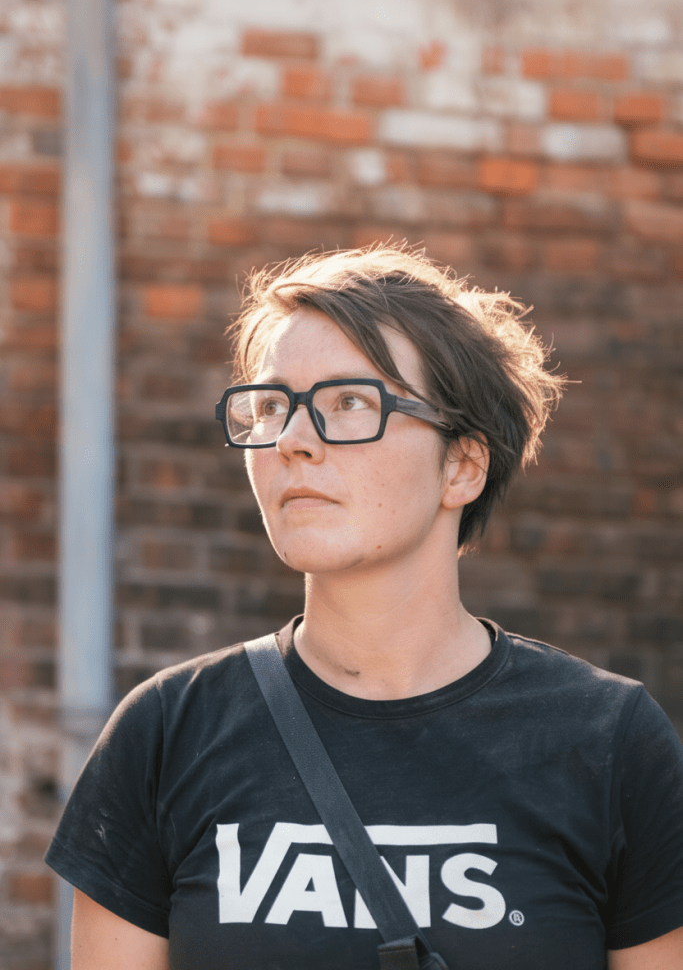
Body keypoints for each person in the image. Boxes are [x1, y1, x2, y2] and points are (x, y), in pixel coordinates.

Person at [46, 245, 683, 970]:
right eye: (270, 406)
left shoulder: (605, 741)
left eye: (350, 403)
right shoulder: (167, 732)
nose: (291, 442)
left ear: (461, 466)